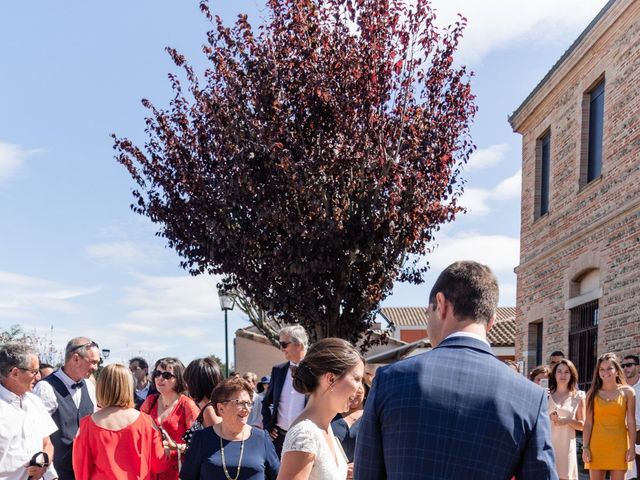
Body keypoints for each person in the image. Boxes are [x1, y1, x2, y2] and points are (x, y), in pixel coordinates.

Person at [355, 261, 557, 479]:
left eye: (427, 313)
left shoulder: (391, 380)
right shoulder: (529, 397)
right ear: (492, 321)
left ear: (440, 304)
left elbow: (366, 473)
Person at [277, 337, 364, 480]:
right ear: (330, 379)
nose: (359, 388)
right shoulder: (305, 434)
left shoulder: (325, 428)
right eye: (356, 379)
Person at [72, 364, 170, 479]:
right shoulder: (146, 422)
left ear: (101, 387)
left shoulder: (86, 424)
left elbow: (81, 469)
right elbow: (159, 465)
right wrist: (167, 450)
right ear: (129, 387)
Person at [181, 376, 280, 479]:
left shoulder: (261, 438)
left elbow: (278, 476)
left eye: (249, 403)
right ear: (221, 408)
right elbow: (188, 477)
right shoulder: (202, 438)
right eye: (240, 403)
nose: (246, 409)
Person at [34, 337, 99, 480]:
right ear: (76, 359)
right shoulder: (46, 388)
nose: (96, 368)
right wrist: (49, 474)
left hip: (84, 472)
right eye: (93, 362)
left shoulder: (89, 386)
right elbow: (37, 434)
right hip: (56, 473)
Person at [0, 343, 59, 480]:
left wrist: (43, 465)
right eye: (34, 371)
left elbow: (47, 444)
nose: (38, 377)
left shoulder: (35, 402)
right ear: (15, 372)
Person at [141, 357, 199, 480]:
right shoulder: (150, 401)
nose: (160, 378)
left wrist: (176, 447)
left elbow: (198, 445)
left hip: (178, 472)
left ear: (179, 379)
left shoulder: (187, 405)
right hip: (150, 471)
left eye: (167, 375)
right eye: (157, 374)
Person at [582, 352, 636, 480]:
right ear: (598, 372)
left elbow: (631, 422)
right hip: (596, 446)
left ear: (617, 371)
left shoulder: (628, 392)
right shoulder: (591, 394)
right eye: (601, 369)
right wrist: (585, 447)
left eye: (609, 368)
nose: (605, 372)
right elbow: (588, 423)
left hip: (619, 446)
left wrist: (632, 447)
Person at [262, 326, 308, 457]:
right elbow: (266, 402)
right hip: (279, 439)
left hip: (304, 439)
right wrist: (268, 427)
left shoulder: (316, 371)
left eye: (284, 344)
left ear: (298, 345)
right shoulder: (278, 370)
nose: (281, 348)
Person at [548, 359, 585, 480]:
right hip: (547, 446)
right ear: (554, 374)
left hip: (566, 448)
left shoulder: (578, 396)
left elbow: (582, 425)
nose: (562, 375)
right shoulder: (546, 394)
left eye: (566, 372)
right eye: (559, 371)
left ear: (571, 374)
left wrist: (567, 421)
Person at [182, 357, 223, 445]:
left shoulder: (210, 411)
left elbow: (218, 447)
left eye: (188, 382)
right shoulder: (210, 408)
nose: (186, 386)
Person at [331, 381, 368, 465]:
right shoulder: (330, 415)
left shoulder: (372, 417)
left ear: (365, 388)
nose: (354, 394)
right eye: (350, 390)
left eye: (358, 390)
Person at [621, 354, 640, 478]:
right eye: (623, 366)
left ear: (638, 367)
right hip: (622, 435)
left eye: (629, 365)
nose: (625, 368)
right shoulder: (619, 388)